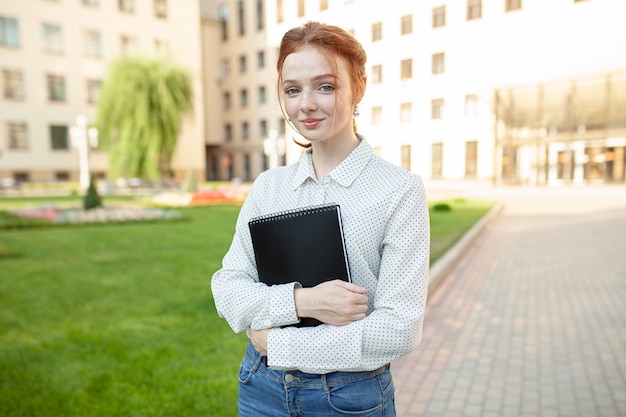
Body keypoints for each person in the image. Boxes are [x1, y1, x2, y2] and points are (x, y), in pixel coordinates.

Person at [211, 21, 430, 416]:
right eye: (292, 90)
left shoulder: (399, 190)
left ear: (358, 87)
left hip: (348, 397)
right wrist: (302, 301)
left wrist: (278, 343)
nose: (306, 104)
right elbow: (227, 287)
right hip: (261, 386)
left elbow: (399, 327)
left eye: (325, 86)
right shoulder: (268, 187)